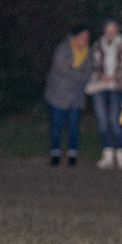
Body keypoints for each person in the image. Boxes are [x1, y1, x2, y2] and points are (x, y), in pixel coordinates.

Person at [87, 19, 122, 169]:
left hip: (117, 86)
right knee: (102, 120)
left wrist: (114, 77)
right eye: (108, 28)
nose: (110, 31)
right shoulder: (98, 45)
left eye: (113, 28)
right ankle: (107, 154)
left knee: (116, 120)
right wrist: (102, 76)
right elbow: (93, 63)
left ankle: (120, 154)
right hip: (100, 85)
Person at [44, 24, 93, 166]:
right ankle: (55, 153)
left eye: (87, 37)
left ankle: (72, 154)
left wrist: (72, 69)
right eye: (82, 36)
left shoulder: (88, 54)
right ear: (75, 37)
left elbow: (87, 75)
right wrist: (78, 72)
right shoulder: (63, 48)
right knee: (56, 125)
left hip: (76, 97)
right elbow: (59, 68)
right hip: (57, 95)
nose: (84, 40)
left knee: (73, 126)